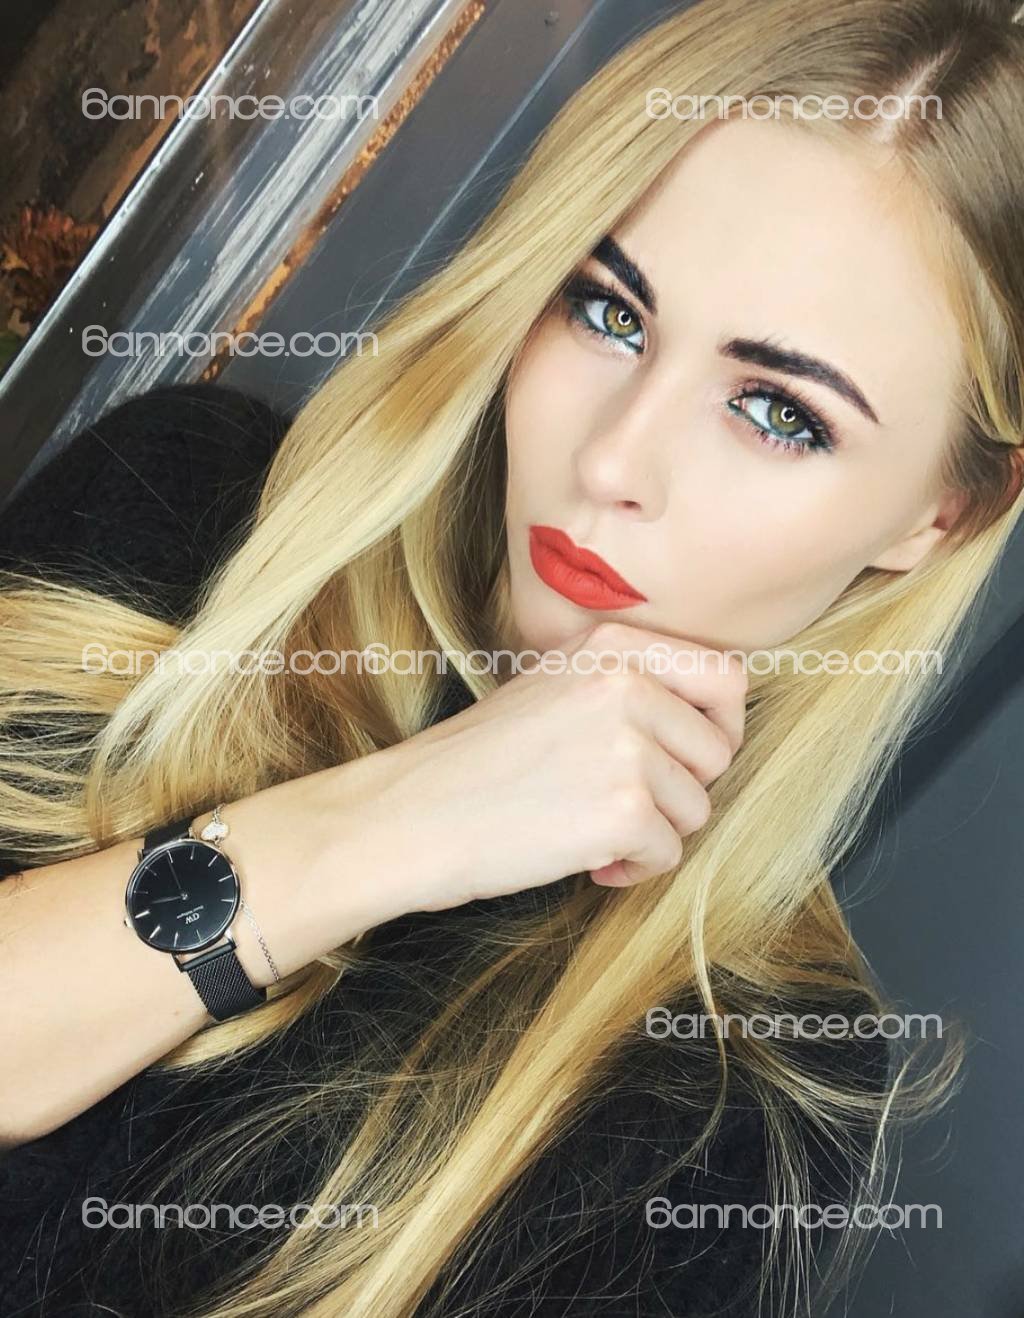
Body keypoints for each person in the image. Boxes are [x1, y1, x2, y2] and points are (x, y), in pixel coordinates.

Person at [1, 0, 1022, 1313]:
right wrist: (379, 828)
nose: (613, 459)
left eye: (777, 412)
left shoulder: (737, 1104)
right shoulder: (184, 508)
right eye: (609, 311)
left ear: (941, 514)